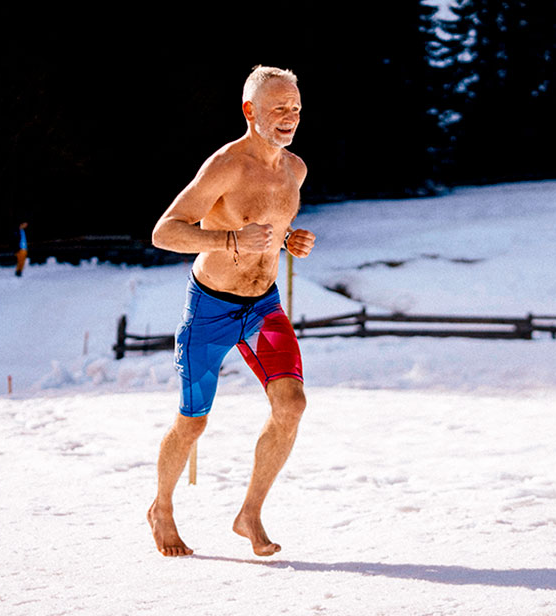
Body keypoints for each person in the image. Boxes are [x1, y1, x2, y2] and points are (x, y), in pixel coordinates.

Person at [148, 65, 316, 558]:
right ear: (250, 112)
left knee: (292, 404)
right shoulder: (226, 165)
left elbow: (269, 225)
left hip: (263, 308)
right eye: (279, 109)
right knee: (192, 422)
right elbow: (164, 231)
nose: (290, 118)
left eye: (297, 109)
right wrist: (227, 239)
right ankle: (162, 508)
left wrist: (291, 241)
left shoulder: (296, 170)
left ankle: (250, 514)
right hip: (211, 308)